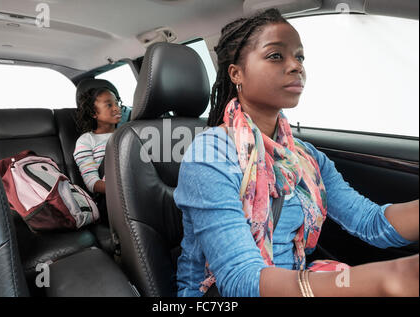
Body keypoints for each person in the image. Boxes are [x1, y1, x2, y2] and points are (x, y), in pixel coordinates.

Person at [173, 8, 419, 297]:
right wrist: (386, 278)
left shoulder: (306, 157)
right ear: (236, 73)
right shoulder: (209, 154)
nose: (296, 66)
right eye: (276, 55)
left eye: (299, 57)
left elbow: (371, 222)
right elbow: (241, 281)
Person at [73, 86, 122, 221]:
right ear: (94, 113)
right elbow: (92, 182)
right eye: (109, 105)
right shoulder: (86, 141)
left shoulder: (128, 133)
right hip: (111, 199)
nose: (116, 108)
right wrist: (125, 190)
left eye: (117, 103)